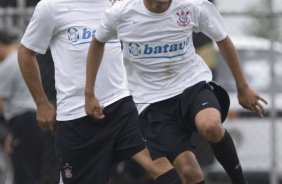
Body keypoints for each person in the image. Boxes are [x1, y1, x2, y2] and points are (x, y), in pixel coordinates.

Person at [85, 0, 268, 184]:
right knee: (189, 172)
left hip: (191, 86)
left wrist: (242, 87)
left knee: (211, 126)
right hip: (151, 102)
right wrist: (89, 93)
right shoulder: (121, 13)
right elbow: (97, 42)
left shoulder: (192, 6)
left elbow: (222, 39)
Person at [17, 0, 181, 184]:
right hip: (76, 118)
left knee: (166, 169)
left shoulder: (116, 4)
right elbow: (25, 54)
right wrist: (41, 103)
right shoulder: (51, 7)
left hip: (121, 105)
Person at [0, 30, 44, 184]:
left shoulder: (7, 65)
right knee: (33, 170)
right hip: (35, 118)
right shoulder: (21, 60)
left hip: (22, 120)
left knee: (23, 173)